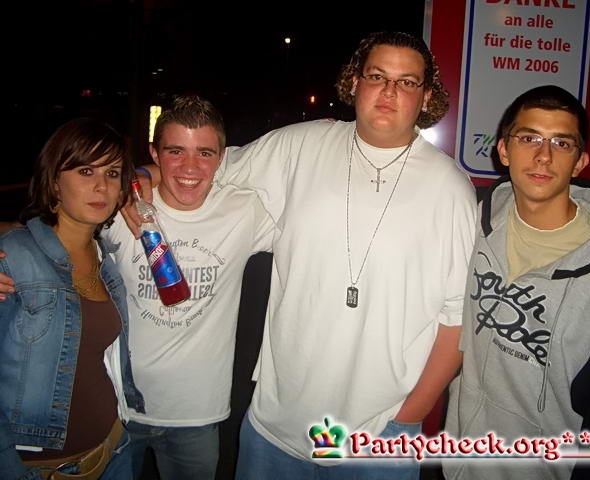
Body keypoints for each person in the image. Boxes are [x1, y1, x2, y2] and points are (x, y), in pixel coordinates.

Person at [129, 31, 477, 479]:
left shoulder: (450, 189)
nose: (389, 91)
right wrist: (143, 173)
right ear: (354, 82)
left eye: (406, 82)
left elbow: (458, 316)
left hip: (379, 436)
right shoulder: (300, 146)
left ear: (426, 95)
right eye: (377, 76)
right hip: (275, 428)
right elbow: (205, 165)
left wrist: (411, 412)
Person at [443, 85, 590, 479]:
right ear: (503, 150)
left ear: (580, 161)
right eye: (529, 138)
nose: (543, 156)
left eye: (561, 143)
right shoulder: (471, 221)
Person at [103, 95, 274, 479]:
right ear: (155, 153)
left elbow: (312, 222)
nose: (190, 167)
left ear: (222, 158)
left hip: (197, 412)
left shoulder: (244, 210)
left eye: (205, 153)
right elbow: (53, 235)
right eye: (175, 151)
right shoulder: (121, 208)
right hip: (118, 407)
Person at [0, 117, 146, 480]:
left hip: (114, 448)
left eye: (112, 174)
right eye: (85, 171)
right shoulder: (14, 257)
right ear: (54, 181)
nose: (101, 186)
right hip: (41, 468)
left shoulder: (106, 260)